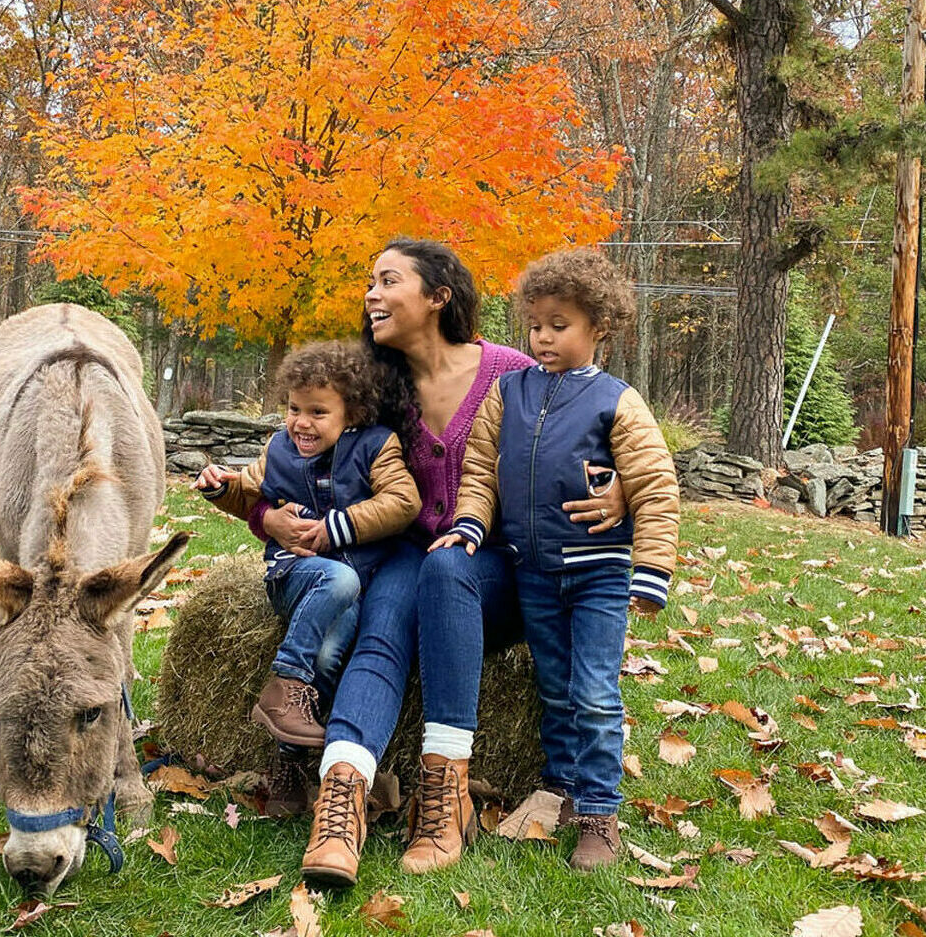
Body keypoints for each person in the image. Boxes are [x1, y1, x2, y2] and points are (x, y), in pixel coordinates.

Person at [256, 238, 624, 887]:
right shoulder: (371, 392)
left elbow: (610, 419)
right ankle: (340, 807)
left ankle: (444, 794)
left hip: (504, 569)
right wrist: (267, 517)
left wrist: (619, 484)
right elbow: (283, 463)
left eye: (387, 280)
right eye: (368, 281)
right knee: (384, 627)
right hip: (407, 558)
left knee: (448, 567)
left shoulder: (514, 371)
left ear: (438, 296)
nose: (371, 293)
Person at [434, 247, 680, 870]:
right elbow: (482, 470)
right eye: (535, 324)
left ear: (599, 326)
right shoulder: (507, 392)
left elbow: (653, 483)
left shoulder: (616, 402)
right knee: (553, 685)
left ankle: (600, 812)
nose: (542, 337)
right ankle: (561, 785)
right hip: (533, 572)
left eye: (559, 325)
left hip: (597, 574)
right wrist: (469, 523)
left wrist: (651, 570)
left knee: (594, 691)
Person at [194, 341, 421, 813]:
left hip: (356, 579)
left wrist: (337, 528)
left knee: (331, 652)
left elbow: (404, 502)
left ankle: (292, 766)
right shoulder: (278, 448)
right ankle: (284, 678)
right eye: (295, 408)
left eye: (318, 411)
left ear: (352, 412)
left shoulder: (376, 445)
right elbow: (249, 492)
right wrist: (222, 488)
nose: (301, 422)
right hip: (296, 575)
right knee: (336, 583)